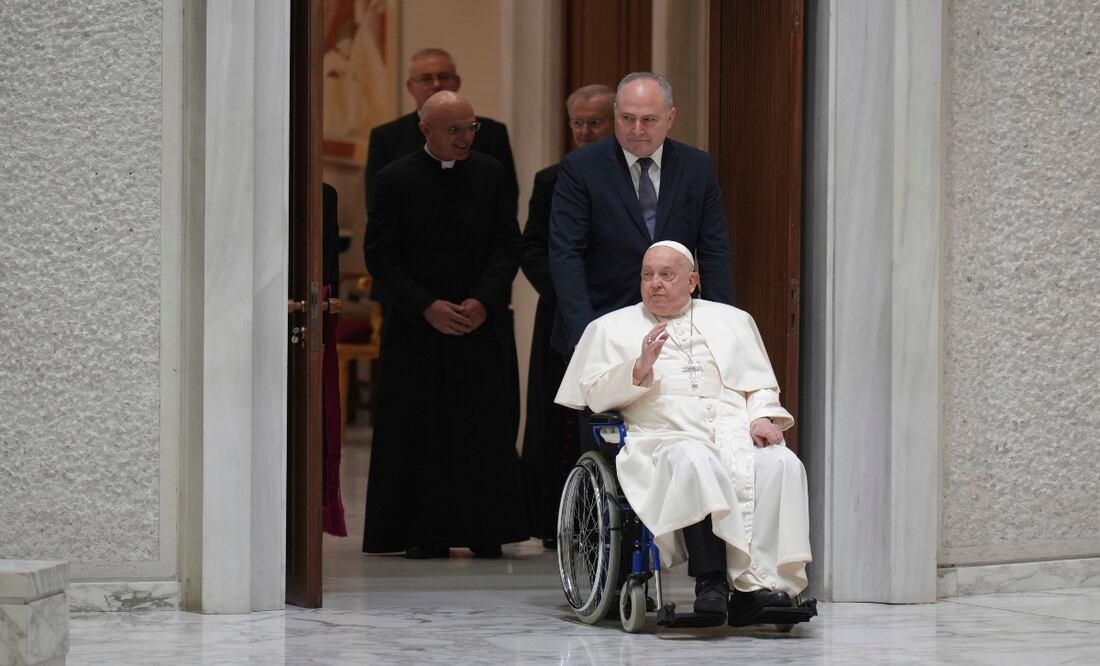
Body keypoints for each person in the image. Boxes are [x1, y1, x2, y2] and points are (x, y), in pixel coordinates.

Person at [555, 241, 811, 625]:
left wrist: (761, 418)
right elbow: (593, 396)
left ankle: (760, 589)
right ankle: (711, 583)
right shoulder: (609, 328)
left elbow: (759, 387)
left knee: (781, 463)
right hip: (659, 438)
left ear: (692, 280)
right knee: (695, 459)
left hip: (732, 431)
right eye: (647, 275)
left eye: (666, 275)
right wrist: (638, 367)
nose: (655, 284)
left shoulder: (732, 320)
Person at [362, 91, 526, 559]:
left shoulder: (491, 174)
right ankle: (423, 533)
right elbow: (381, 254)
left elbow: (506, 245)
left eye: (470, 127)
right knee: (421, 429)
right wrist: (425, 305)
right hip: (418, 328)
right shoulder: (395, 179)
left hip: (480, 325)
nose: (465, 137)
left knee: (483, 425)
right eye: (454, 129)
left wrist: (482, 300)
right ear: (426, 131)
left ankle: (486, 529)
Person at [549, 72, 734, 353]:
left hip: (680, 329)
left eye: (648, 119)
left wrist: (718, 326)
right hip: (602, 324)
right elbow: (566, 254)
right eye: (627, 118)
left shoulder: (697, 167)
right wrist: (585, 334)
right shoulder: (581, 168)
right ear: (615, 114)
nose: (637, 129)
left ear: (670, 118)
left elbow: (714, 252)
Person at [520, 84, 615, 549]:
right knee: (556, 419)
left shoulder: (628, 177)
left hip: (619, 312)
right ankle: (557, 522)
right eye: (577, 122)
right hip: (563, 314)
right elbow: (534, 249)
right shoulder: (551, 178)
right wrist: (570, 296)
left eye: (593, 122)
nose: (583, 131)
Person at [364, 48, 517, 211]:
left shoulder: (492, 134)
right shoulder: (386, 137)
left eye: (443, 77)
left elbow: (507, 199)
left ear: (457, 82)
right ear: (410, 86)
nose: (436, 84)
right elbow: (378, 205)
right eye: (426, 79)